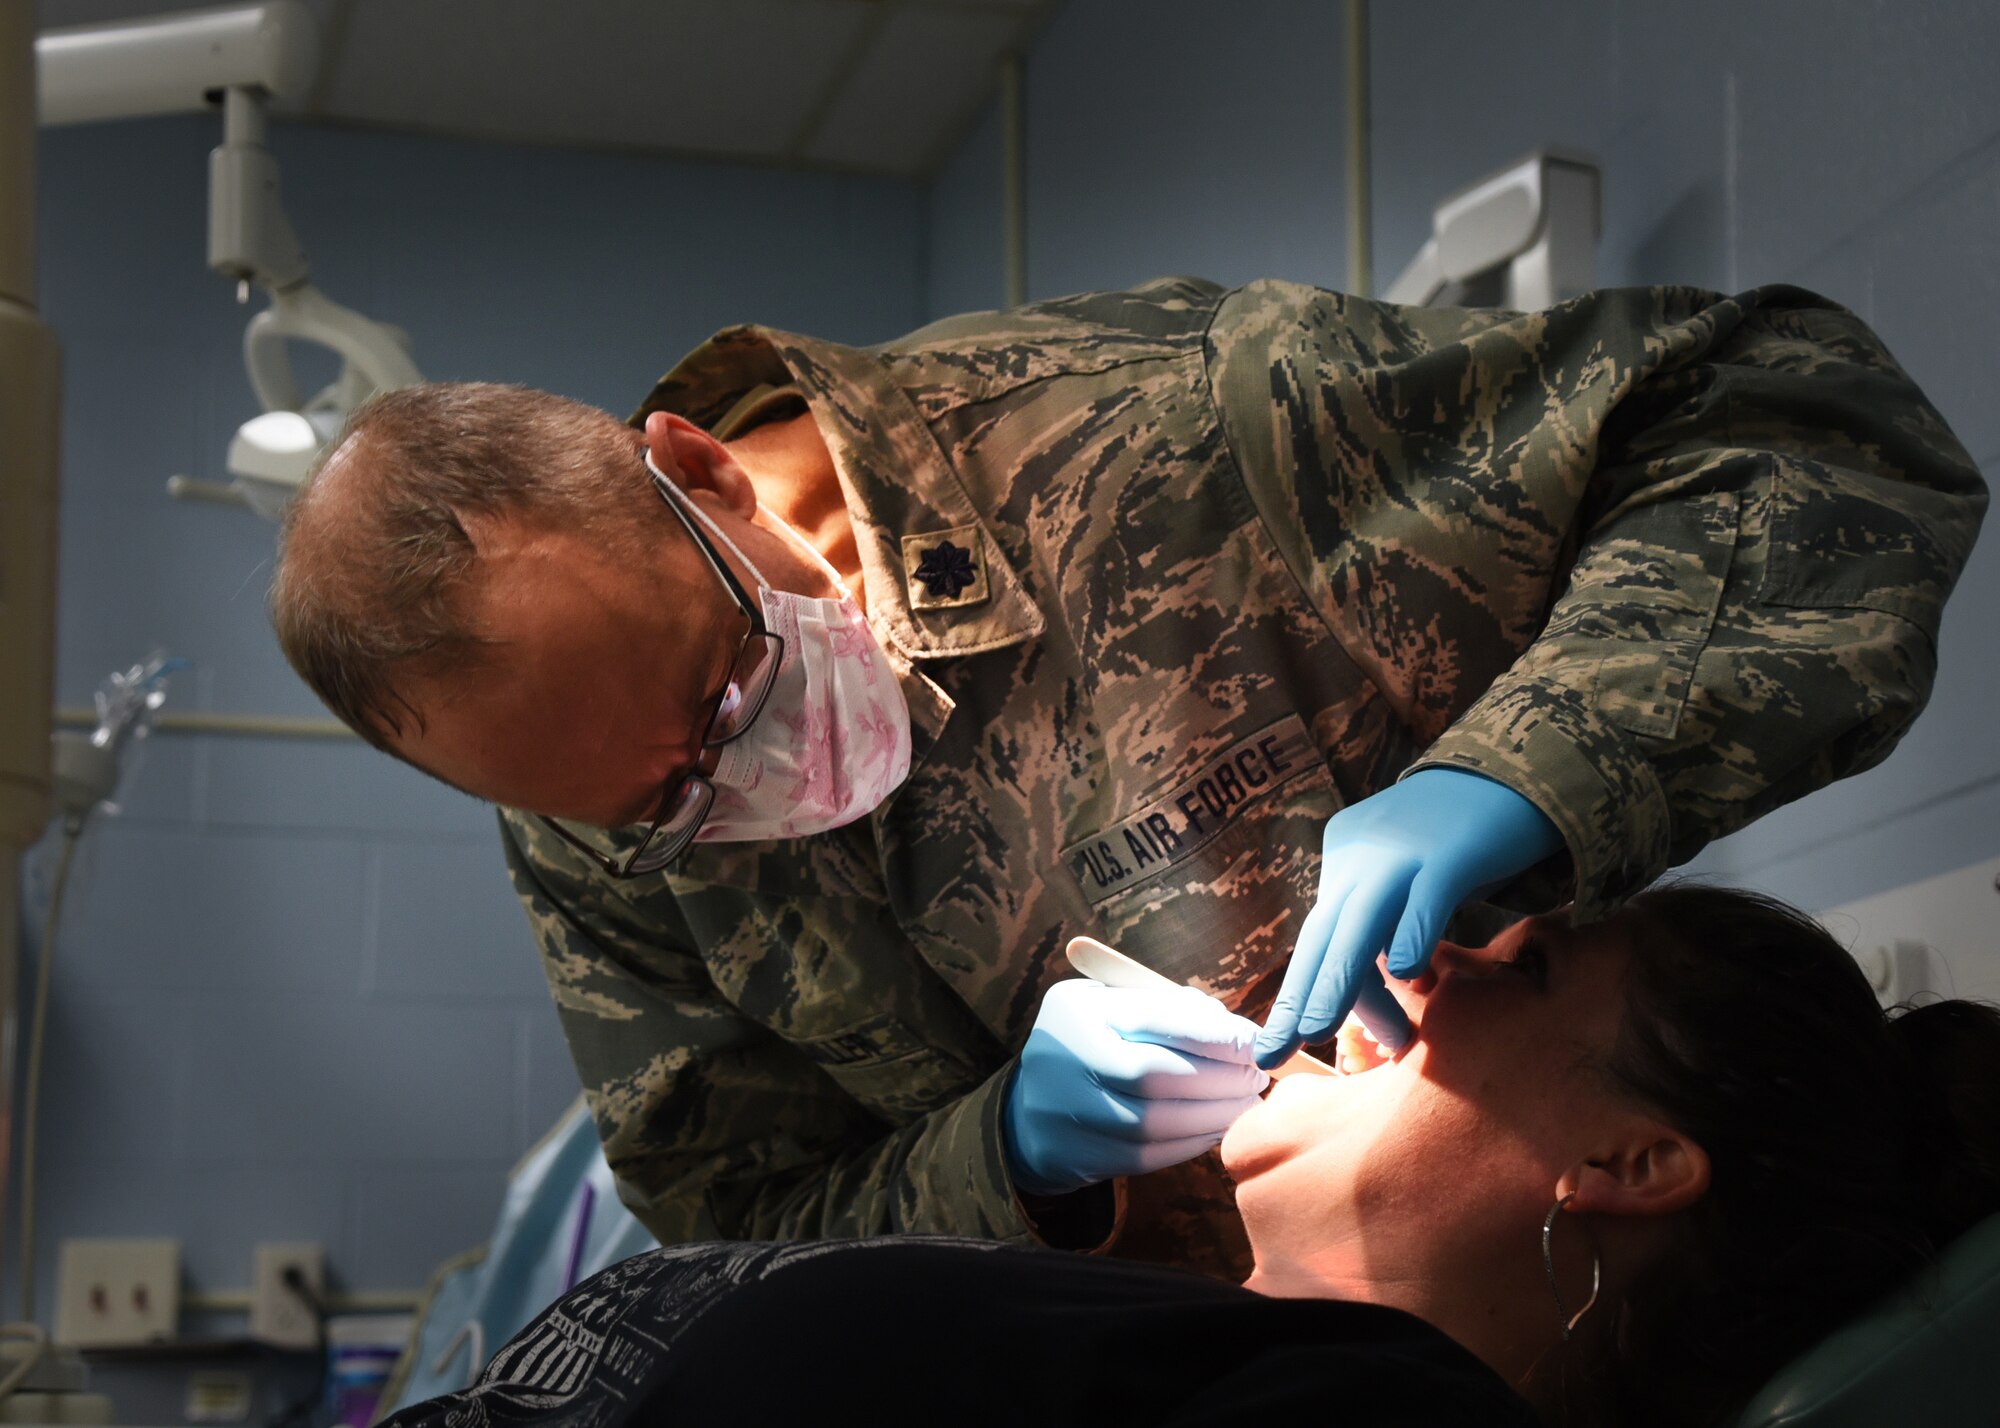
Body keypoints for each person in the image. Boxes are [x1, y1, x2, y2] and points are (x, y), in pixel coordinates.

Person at [270, 277, 1987, 1277]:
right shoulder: (582, 798)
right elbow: (745, 1227)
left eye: (722, 694)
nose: (738, 792)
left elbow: (1792, 420)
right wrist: (999, 1159)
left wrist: (1535, 773)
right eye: (658, 809)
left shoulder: (1169, 439)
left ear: (708, 474)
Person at [376, 884, 2000, 1428]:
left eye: (1532, 969)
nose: (1429, 964)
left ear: (1637, 1161)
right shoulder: (1190, 1331)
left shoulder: (1383, 1416)